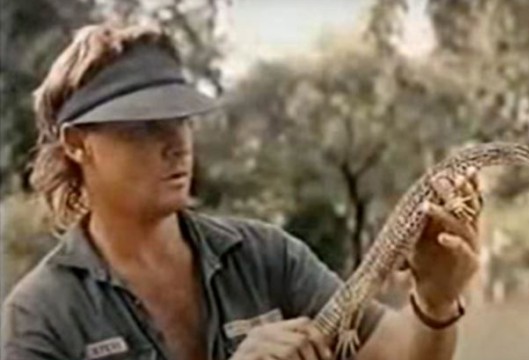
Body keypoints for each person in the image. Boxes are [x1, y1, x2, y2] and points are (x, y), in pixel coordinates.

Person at [1, 23, 483, 360]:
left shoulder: (263, 257)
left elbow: (393, 354)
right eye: (144, 126)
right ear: (78, 144)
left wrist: (435, 300)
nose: (175, 144)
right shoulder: (41, 314)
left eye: (181, 119)